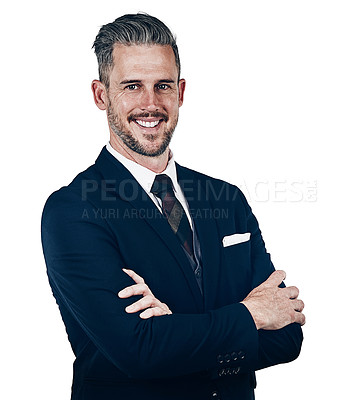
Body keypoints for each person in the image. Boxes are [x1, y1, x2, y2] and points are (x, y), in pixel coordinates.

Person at [41, 13, 305, 400]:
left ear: (181, 92)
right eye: (132, 86)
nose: (150, 104)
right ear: (101, 95)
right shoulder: (72, 210)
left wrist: (177, 336)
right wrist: (250, 315)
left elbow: (286, 338)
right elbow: (140, 352)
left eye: (162, 85)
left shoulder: (226, 199)